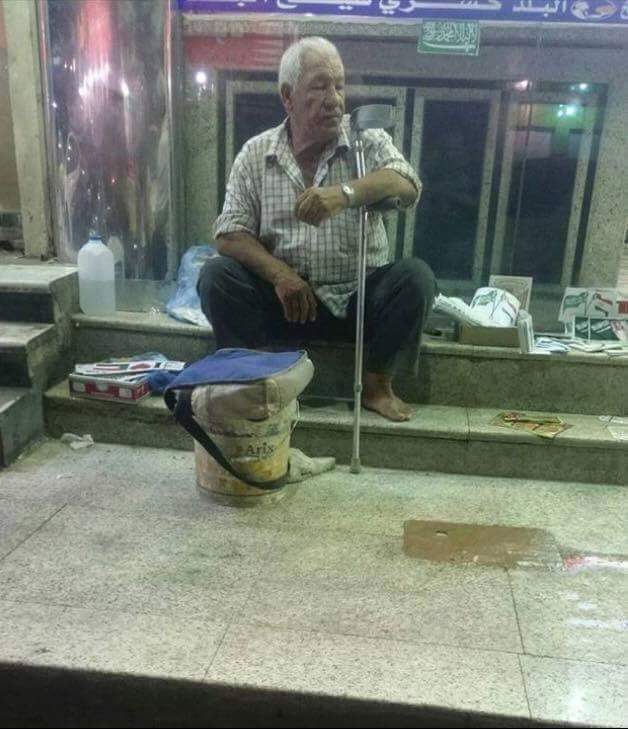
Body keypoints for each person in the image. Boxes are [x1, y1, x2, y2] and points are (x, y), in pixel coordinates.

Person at [198, 37, 436, 421]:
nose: (334, 99)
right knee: (217, 277)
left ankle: (377, 385)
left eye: (339, 86)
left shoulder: (365, 139)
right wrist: (280, 275)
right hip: (288, 303)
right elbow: (229, 233)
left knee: (415, 278)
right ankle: (252, 380)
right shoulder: (256, 153)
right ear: (288, 97)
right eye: (320, 86)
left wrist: (346, 194)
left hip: (357, 301)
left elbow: (407, 184)